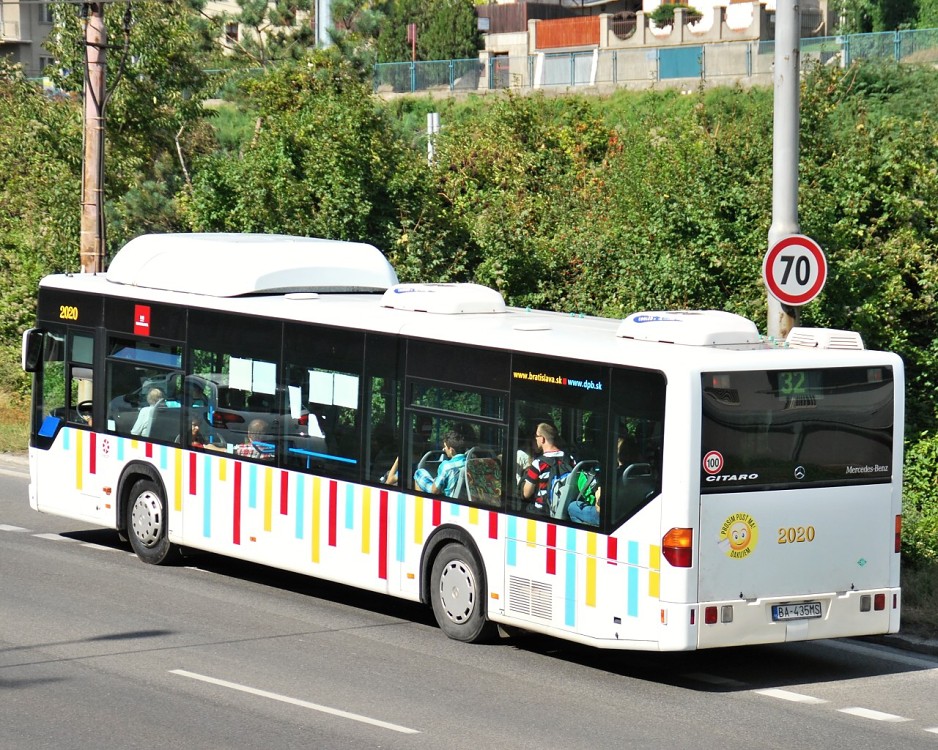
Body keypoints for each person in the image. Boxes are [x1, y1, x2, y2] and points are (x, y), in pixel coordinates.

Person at [522, 423, 572, 515]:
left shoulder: (538, 464)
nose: (535, 439)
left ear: (542, 439)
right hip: (563, 509)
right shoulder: (569, 459)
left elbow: (526, 493)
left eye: (536, 436)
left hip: (542, 510)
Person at [413, 426, 470, 498]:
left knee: (419, 473)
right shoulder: (470, 463)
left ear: (451, 450)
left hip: (447, 499)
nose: (443, 449)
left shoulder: (447, 466)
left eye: (445, 447)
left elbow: (434, 491)